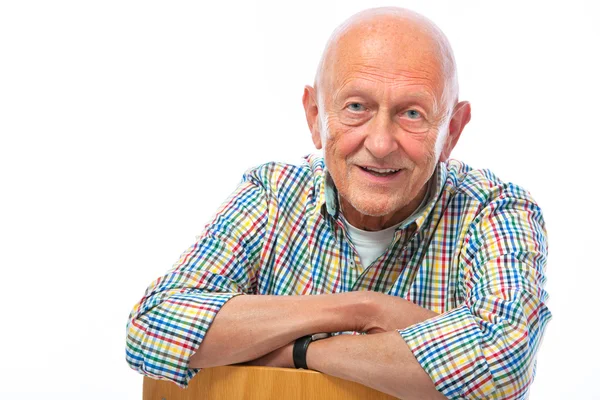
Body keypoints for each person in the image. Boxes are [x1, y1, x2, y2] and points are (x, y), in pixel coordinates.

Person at [126, 7, 551, 400]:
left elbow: (504, 358)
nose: (381, 144)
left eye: (413, 114)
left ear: (452, 131)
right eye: (356, 107)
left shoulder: (496, 210)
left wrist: (300, 352)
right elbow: (153, 327)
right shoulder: (274, 193)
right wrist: (365, 309)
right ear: (315, 117)